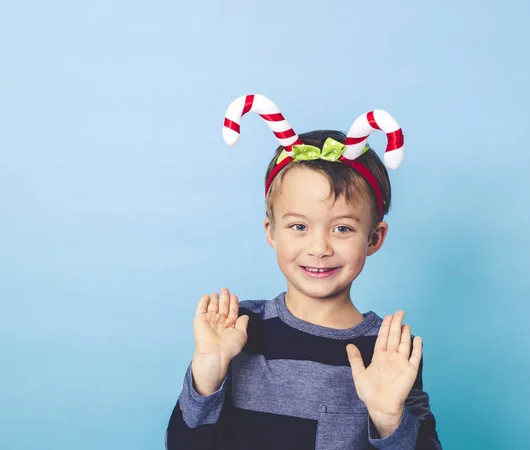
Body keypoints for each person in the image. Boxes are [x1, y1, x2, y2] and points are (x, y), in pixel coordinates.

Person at [165, 94, 443, 449]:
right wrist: (207, 374)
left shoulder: (387, 351)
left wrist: (388, 419)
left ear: (374, 238)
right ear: (271, 231)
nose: (319, 248)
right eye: (299, 226)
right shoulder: (237, 328)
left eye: (342, 229)